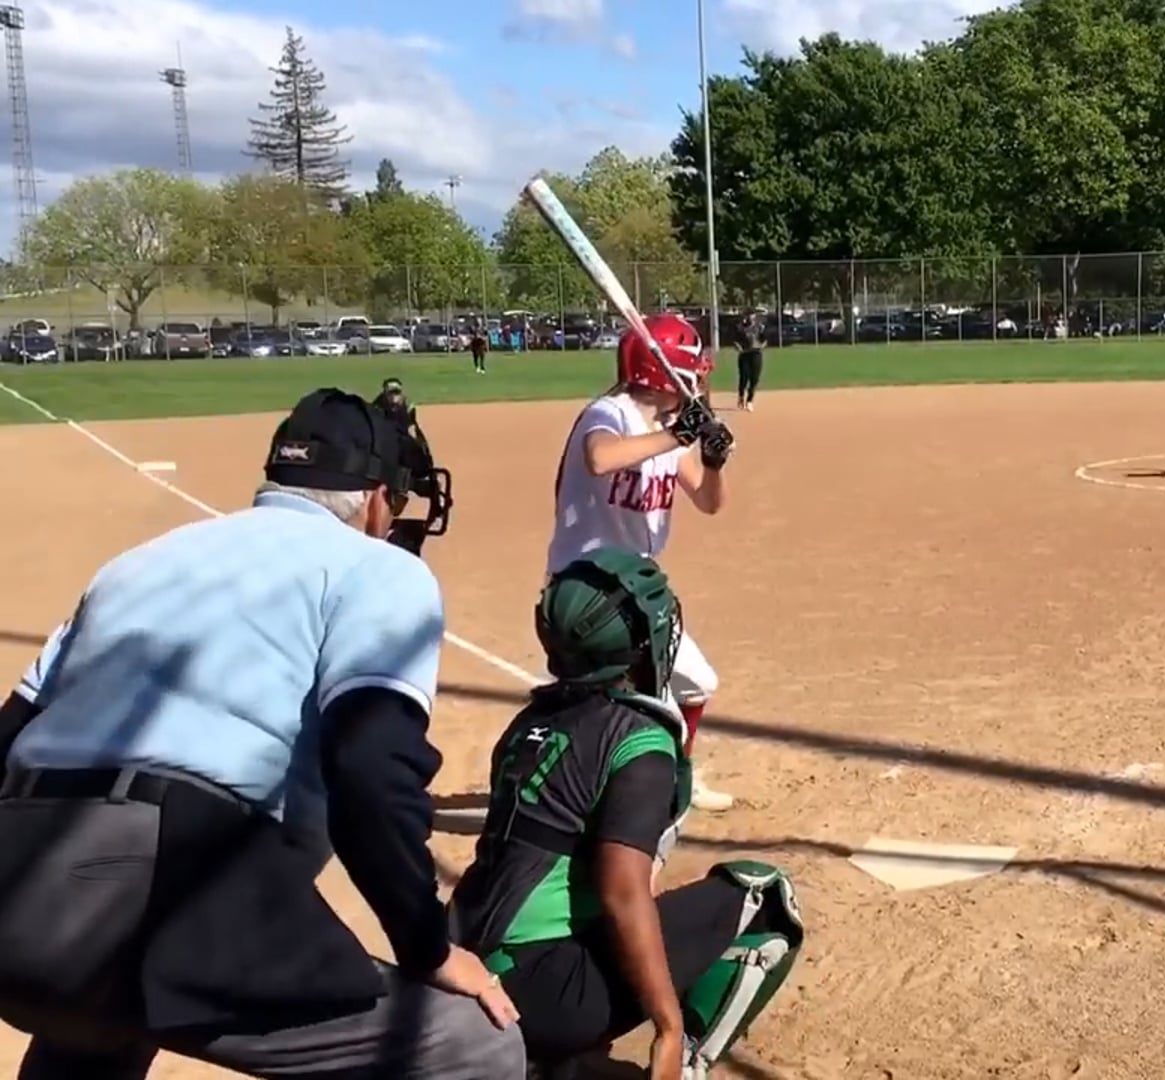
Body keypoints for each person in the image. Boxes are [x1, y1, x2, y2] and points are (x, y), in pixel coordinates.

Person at [0, 388, 520, 1078]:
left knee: (95, 1020)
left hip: (15, 877)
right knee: (472, 1044)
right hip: (158, 871)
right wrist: (427, 947)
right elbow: (369, 769)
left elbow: (11, 730)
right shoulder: (379, 567)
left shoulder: (136, 563)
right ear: (375, 501)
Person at [449, 547, 804, 1079]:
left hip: (463, 964)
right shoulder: (638, 740)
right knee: (764, 894)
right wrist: (665, 1023)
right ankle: (680, 1063)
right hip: (542, 995)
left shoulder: (528, 723)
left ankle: (555, 1062)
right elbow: (622, 891)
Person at [546, 311, 738, 813]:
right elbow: (601, 458)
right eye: (691, 369)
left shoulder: (665, 428)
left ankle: (676, 780)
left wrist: (712, 461)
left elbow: (710, 502)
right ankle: (640, 794)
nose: (698, 379)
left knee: (698, 684)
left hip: (635, 588)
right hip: (588, 589)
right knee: (652, 710)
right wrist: (678, 435)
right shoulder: (610, 413)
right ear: (663, 371)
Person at [735, 310, 767, 412]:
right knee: (744, 377)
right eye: (748, 315)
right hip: (745, 354)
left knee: (755, 378)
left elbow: (765, 339)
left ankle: (749, 400)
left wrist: (761, 346)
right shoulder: (741, 328)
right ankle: (741, 396)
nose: (750, 317)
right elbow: (735, 341)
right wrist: (738, 347)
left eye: (752, 315)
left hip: (756, 354)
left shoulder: (759, 327)